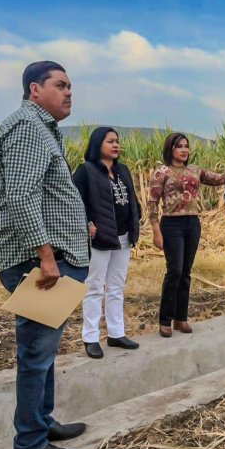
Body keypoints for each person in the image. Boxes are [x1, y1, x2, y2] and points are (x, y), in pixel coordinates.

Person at [0, 61, 89, 449]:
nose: (69, 93)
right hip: (38, 263)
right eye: (60, 85)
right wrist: (46, 255)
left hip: (49, 258)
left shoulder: (41, 128)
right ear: (35, 89)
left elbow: (40, 192)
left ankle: (42, 422)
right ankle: (30, 445)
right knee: (35, 353)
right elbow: (20, 195)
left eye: (70, 86)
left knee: (44, 352)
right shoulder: (27, 127)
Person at [148, 132, 225, 337]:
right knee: (174, 271)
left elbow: (219, 179)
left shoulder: (195, 170)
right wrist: (155, 230)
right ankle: (165, 319)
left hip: (192, 223)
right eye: (179, 146)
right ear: (171, 149)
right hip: (171, 224)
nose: (184, 150)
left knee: (186, 272)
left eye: (186, 146)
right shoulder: (162, 172)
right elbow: (152, 202)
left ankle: (181, 318)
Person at [73, 127, 142, 359]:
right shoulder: (86, 171)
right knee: (94, 287)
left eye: (117, 141)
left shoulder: (123, 170)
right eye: (110, 141)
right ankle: (90, 337)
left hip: (123, 236)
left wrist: (135, 219)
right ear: (97, 144)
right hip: (100, 238)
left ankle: (116, 333)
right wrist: (87, 223)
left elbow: (132, 198)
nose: (116, 145)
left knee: (116, 286)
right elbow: (75, 201)